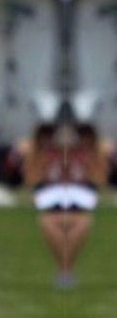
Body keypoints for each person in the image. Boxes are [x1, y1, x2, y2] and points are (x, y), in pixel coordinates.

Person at [24, 122, 107, 289]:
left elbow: (99, 180)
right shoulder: (44, 156)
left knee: (80, 227)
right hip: (52, 202)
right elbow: (32, 180)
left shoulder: (88, 156)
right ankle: (65, 271)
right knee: (50, 226)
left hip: (79, 202)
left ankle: (65, 271)